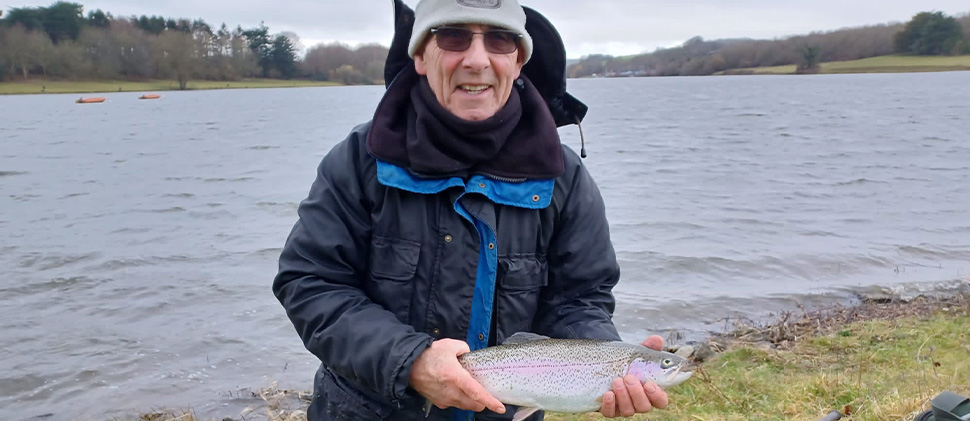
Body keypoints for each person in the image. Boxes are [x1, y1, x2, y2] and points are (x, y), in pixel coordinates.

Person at [273, 0, 669, 419]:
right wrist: (410, 361)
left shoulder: (564, 176)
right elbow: (311, 283)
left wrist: (606, 362)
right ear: (421, 56)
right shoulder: (359, 160)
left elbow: (579, 298)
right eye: (453, 36)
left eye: (499, 40)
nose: (477, 60)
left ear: (518, 61)